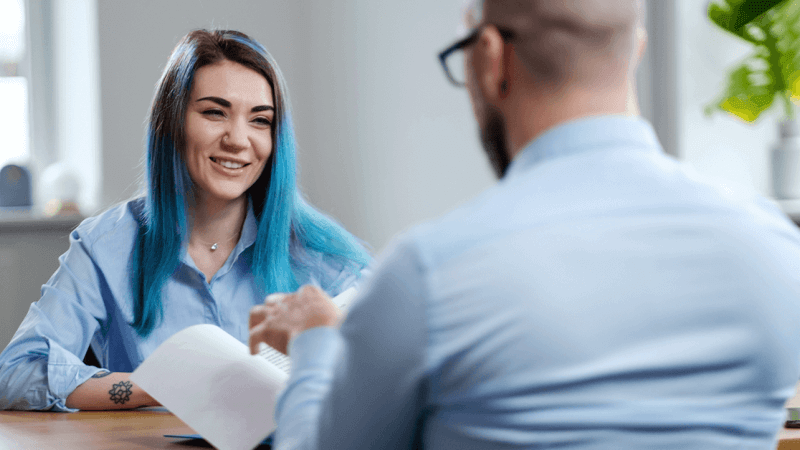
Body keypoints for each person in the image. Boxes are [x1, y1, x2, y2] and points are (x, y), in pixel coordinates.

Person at [248, 0, 800, 448]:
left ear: (491, 57)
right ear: (635, 50)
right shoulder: (776, 250)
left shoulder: (430, 273)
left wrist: (316, 342)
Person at [0, 29, 370, 411]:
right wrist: (160, 385)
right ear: (172, 123)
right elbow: (15, 372)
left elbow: (400, 370)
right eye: (215, 112)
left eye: (260, 120)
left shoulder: (319, 253)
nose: (238, 139)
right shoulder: (106, 244)